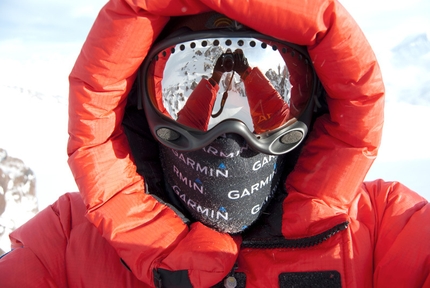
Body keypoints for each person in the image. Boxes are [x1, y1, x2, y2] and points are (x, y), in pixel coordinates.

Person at [0, 1, 429, 287]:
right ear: (136, 104)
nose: (230, 134)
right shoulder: (64, 243)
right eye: (175, 81)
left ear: (315, 105)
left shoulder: (387, 230)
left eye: (275, 100)